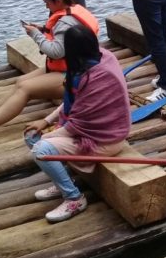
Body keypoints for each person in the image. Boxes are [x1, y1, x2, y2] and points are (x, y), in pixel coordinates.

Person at [0, 0, 99, 144]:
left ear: (58, 1)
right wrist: (43, 29)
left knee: (25, 88)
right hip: (71, 67)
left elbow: (57, 52)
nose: (46, 7)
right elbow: (65, 40)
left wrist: (35, 34)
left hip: (78, 75)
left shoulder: (65, 22)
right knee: (20, 81)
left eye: (47, 3)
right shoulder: (73, 11)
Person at [25, 26, 131, 223]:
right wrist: (47, 121)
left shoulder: (98, 76)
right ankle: (62, 181)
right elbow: (75, 104)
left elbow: (83, 121)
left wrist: (52, 134)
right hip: (88, 129)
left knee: (41, 148)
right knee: (32, 135)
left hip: (105, 138)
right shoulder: (95, 60)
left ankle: (74, 198)